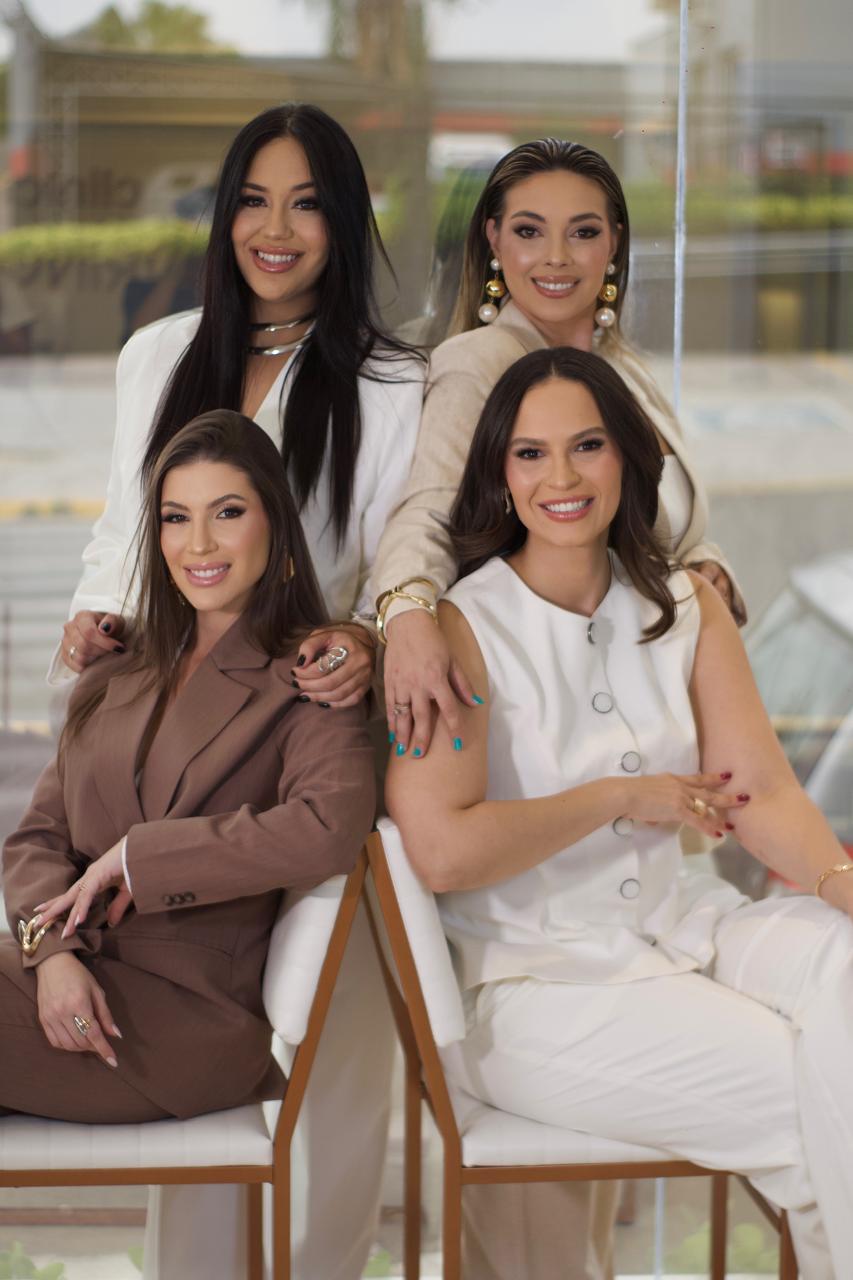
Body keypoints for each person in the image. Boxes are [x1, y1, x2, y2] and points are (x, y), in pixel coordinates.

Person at [47, 103, 424, 1280]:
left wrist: (363, 638)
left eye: (307, 203)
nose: (276, 227)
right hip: (168, 703)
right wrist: (95, 606)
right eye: (254, 200)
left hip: (301, 722)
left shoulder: (391, 382)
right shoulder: (158, 353)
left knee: (331, 1059)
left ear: (344, 223)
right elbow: (126, 524)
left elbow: (400, 555)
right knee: (156, 1004)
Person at [387, 347, 853, 1280]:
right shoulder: (459, 628)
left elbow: (760, 792)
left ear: (628, 458)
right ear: (498, 474)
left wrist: (841, 882)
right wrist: (619, 797)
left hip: (688, 927)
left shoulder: (684, 602)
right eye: (529, 454)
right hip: (535, 985)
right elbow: (440, 850)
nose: (560, 478)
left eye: (586, 446)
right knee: (812, 1107)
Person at [3, 411, 374, 1125]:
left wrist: (140, 859)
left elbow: (328, 827)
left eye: (226, 513)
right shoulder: (114, 669)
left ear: (274, 524)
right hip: (65, 975)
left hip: (180, 1019)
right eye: (177, 518)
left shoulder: (310, 674)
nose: (198, 544)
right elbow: (37, 838)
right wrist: (52, 955)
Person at [376, 137, 746, 767]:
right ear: (494, 239)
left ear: (614, 243)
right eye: (529, 231)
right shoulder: (478, 364)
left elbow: (652, 517)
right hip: (558, 717)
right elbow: (429, 511)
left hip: (659, 687)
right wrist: (407, 615)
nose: (555, 257)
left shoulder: (624, 369)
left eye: (583, 232)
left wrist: (706, 566)